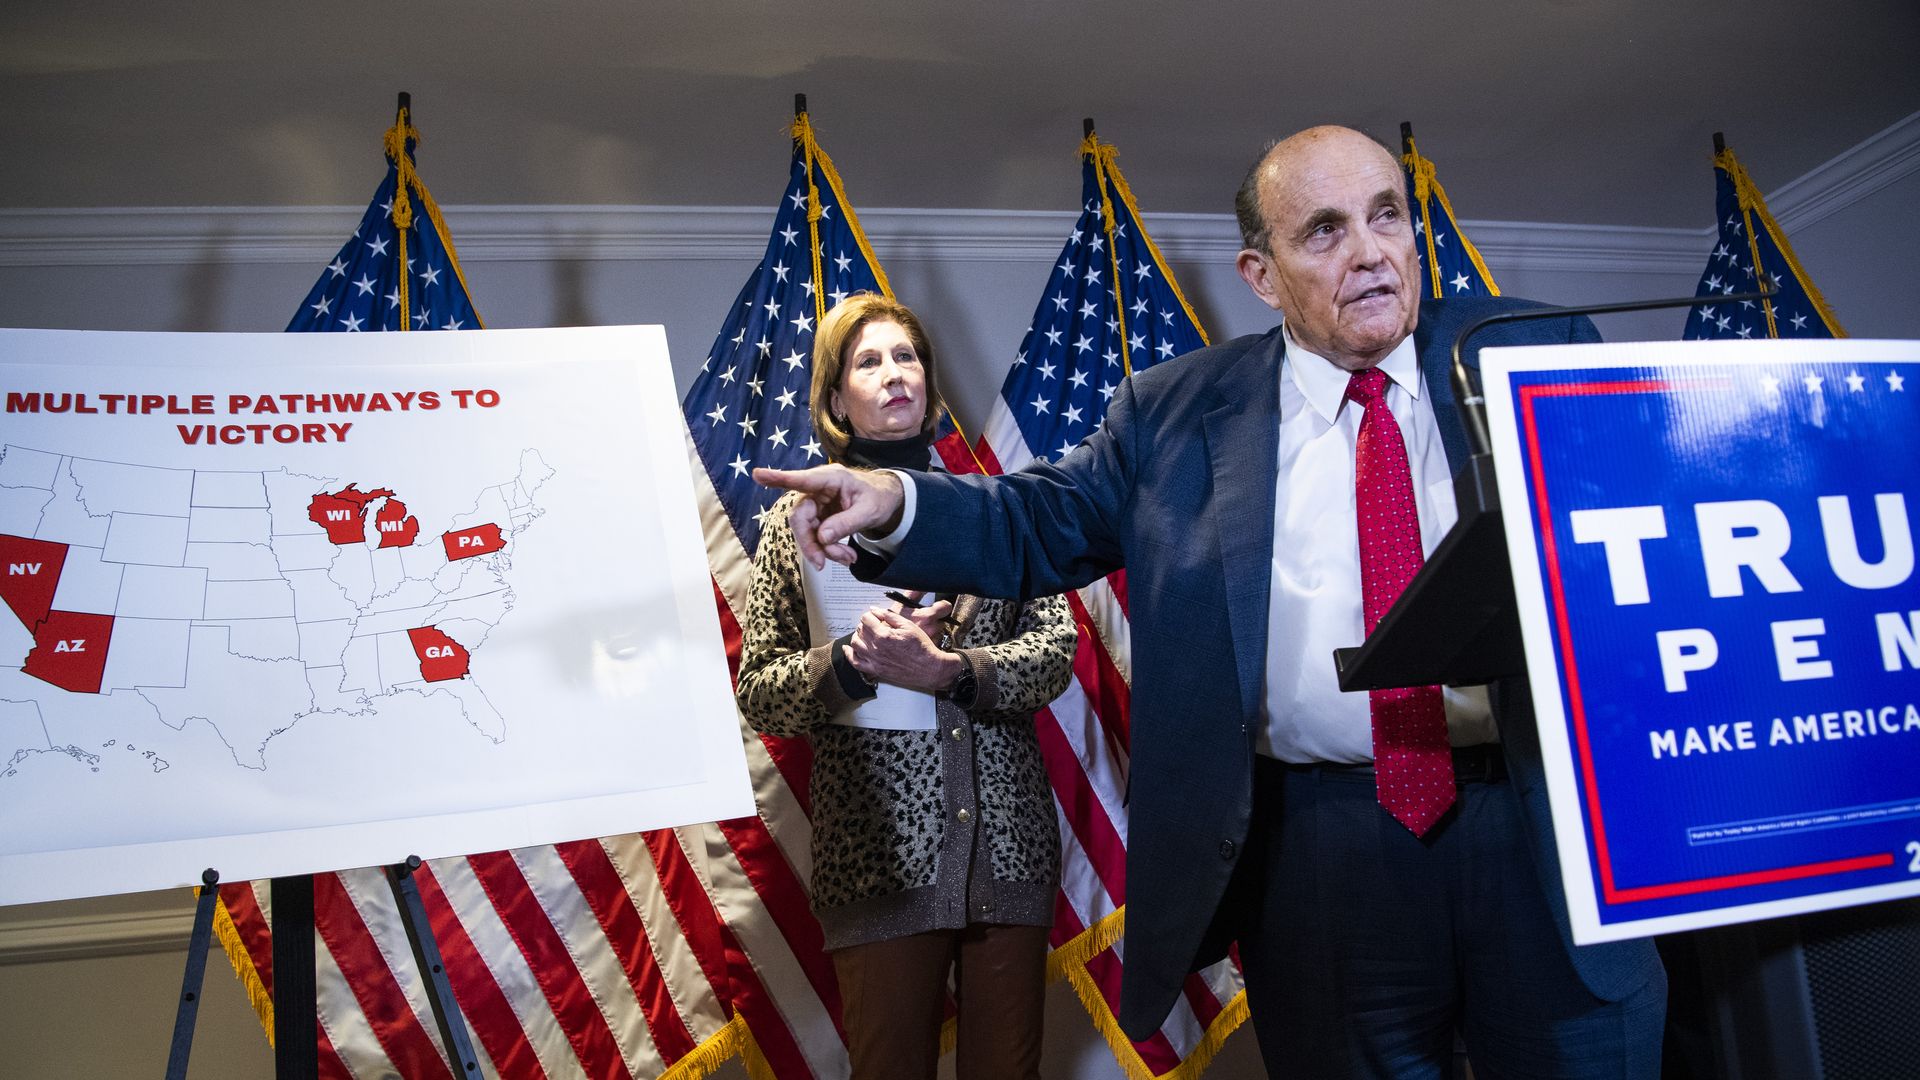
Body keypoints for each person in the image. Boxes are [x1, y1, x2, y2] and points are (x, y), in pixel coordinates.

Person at [757, 127, 1667, 1078]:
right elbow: (1038, 521)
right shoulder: (1173, 411)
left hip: (1543, 826)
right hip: (1322, 853)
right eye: (1323, 230)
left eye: (1386, 216)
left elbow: (1647, 559)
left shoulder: (1526, 350)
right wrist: (899, 502)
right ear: (1261, 275)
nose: (1370, 252)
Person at [733, 292, 1075, 1080]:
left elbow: (1054, 651)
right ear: (835, 402)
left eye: (907, 356)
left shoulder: (997, 507)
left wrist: (954, 673)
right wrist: (852, 664)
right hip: (878, 857)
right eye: (869, 361)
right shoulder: (802, 521)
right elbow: (759, 694)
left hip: (1008, 849)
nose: (895, 374)